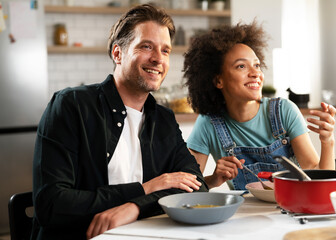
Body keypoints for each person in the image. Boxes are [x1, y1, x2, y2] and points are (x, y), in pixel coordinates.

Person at [32, 4, 208, 240]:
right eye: (146, 46)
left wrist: (134, 207)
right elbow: (51, 204)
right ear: (118, 53)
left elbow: (196, 187)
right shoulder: (71, 105)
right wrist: (145, 189)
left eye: (165, 51)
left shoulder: (163, 118)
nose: (158, 59)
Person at [183, 21, 336, 190]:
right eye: (241, 66)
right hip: (243, 215)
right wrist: (213, 180)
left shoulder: (284, 111)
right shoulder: (208, 123)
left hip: (290, 210)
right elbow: (187, 186)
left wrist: (327, 141)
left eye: (256, 65)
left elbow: (317, 178)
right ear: (218, 80)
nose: (256, 73)